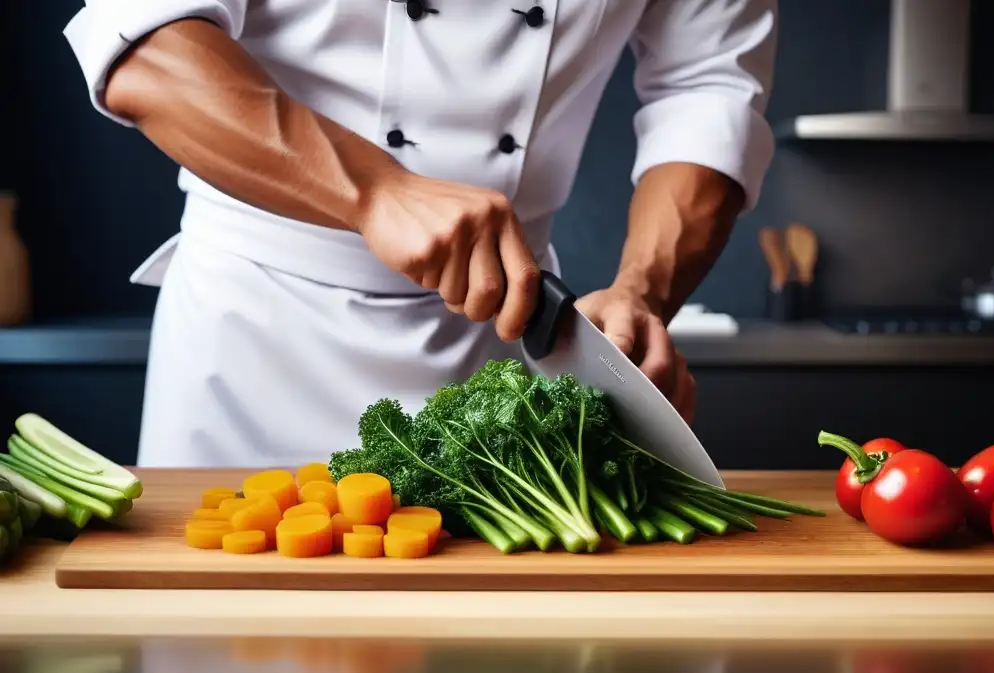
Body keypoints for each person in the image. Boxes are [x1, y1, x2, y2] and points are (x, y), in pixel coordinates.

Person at [63, 1, 777, 469]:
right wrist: (374, 190)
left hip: (502, 349)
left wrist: (641, 291)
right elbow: (144, 47)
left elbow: (707, 84)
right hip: (256, 340)